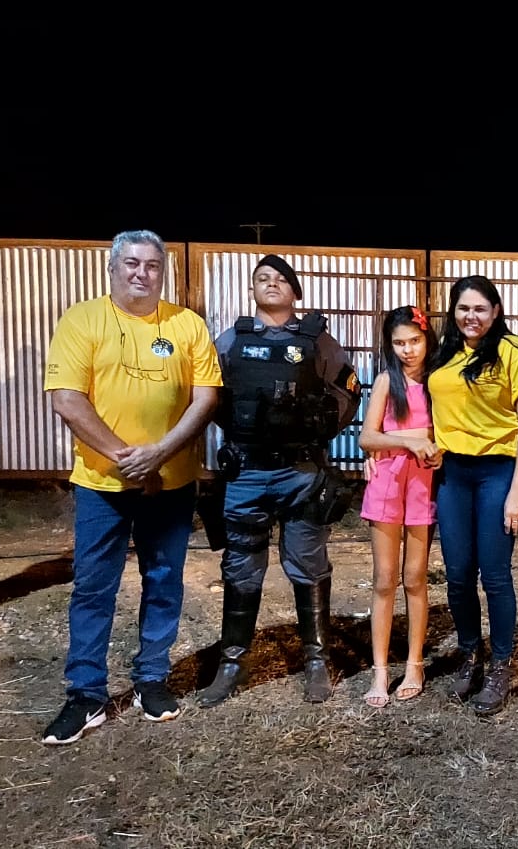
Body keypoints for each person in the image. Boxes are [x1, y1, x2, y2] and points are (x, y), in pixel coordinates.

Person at [40, 229, 221, 744]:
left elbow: (206, 399)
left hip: (172, 482)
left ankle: (151, 679)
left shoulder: (186, 325)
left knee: (163, 581)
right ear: (113, 268)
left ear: (164, 272)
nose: (142, 273)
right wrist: (130, 459)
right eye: (132, 264)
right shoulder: (82, 320)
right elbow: (67, 400)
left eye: (152, 266)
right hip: (102, 482)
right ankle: (86, 694)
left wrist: (160, 455)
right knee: (95, 587)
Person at [195, 254, 362, 708]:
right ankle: (232, 662)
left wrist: (315, 426)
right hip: (246, 473)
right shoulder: (231, 340)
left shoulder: (317, 342)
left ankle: (316, 659)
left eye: (280, 279)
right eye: (262, 279)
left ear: (295, 291)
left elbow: (349, 391)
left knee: (308, 564)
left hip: (301, 473)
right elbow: (206, 395)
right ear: (252, 290)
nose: (271, 284)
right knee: (241, 568)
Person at [429, 275, 518, 716]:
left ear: (495, 311)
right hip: (452, 473)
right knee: (457, 575)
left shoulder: (513, 354)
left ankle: (500, 664)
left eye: (479, 309)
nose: (470, 317)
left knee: (494, 575)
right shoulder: (444, 353)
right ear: (452, 312)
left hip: (498, 471)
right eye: (462, 309)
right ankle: (469, 655)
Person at [358, 305, 441, 707]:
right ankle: (379, 671)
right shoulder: (384, 383)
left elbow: (445, 432)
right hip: (387, 482)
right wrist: (410, 439)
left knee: (415, 579)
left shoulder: (437, 383)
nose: (408, 350)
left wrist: (428, 444)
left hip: (422, 483)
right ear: (389, 346)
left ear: (428, 340)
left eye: (415, 341)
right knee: (383, 579)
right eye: (399, 343)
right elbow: (367, 438)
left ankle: (414, 664)